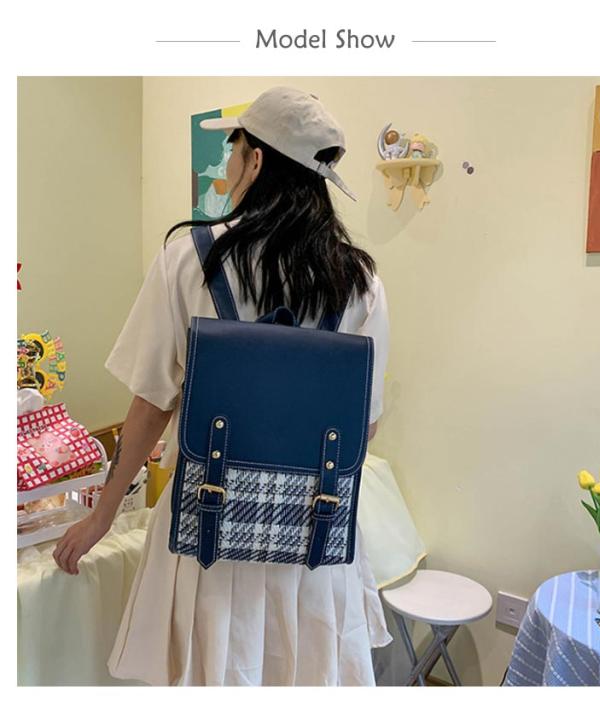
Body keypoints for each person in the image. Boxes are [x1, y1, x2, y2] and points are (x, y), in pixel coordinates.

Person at [53, 86, 393, 685]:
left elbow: (151, 404)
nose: (229, 164)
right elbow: (361, 425)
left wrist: (102, 516)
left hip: (205, 526)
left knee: (210, 670)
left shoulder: (189, 259)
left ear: (255, 160)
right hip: (311, 536)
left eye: (233, 149)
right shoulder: (359, 282)